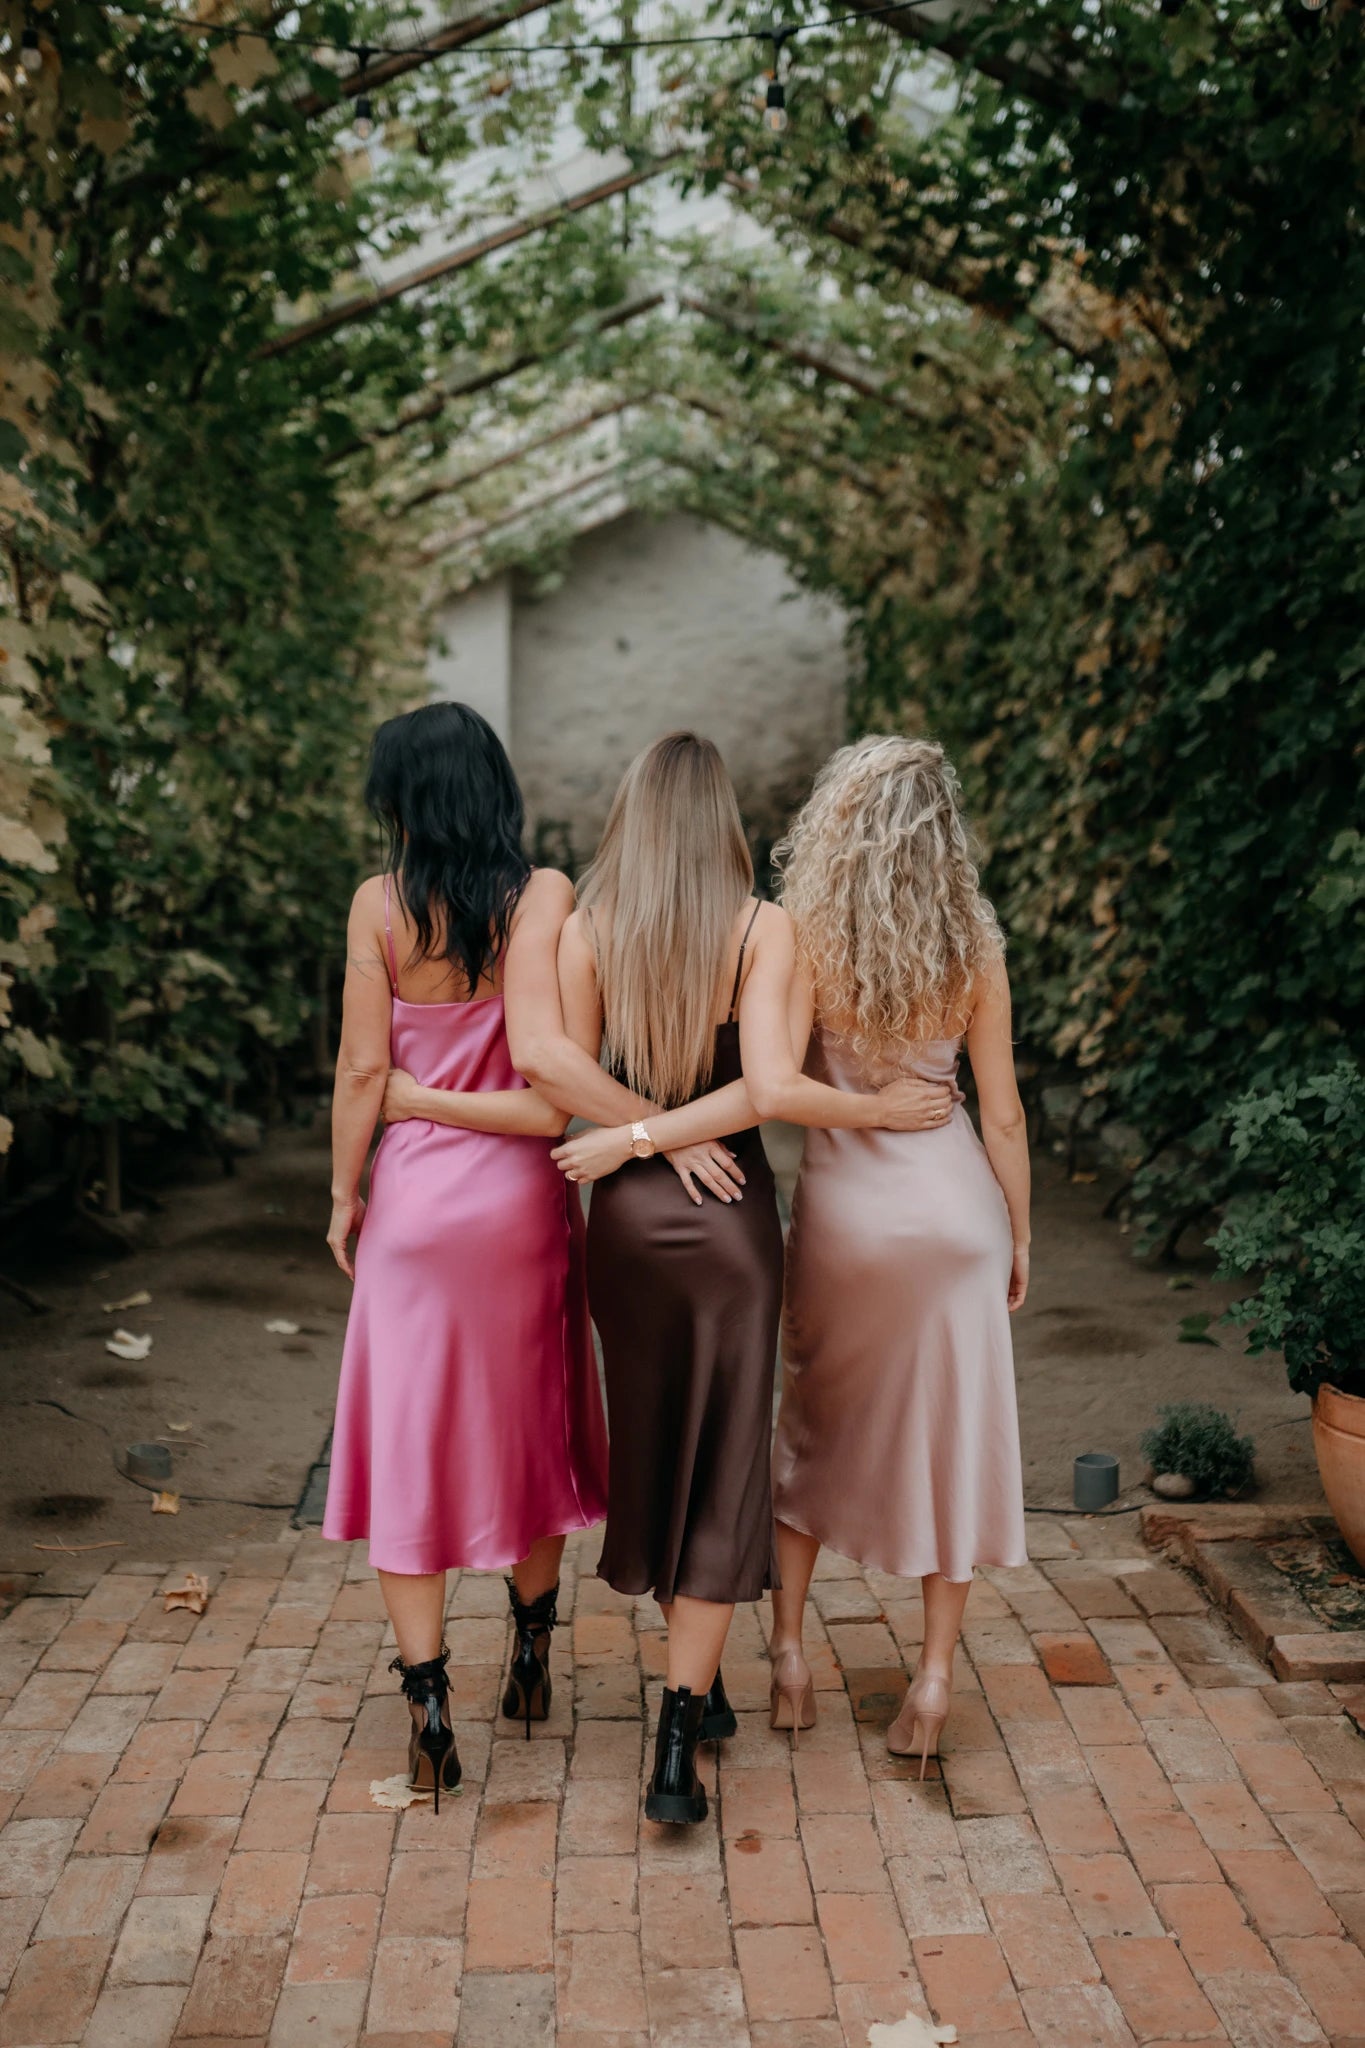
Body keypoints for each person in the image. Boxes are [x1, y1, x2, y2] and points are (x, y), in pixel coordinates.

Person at [545, 732, 950, 1824]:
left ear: (632, 813)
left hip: (625, 1223)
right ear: (720, 816)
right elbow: (766, 1091)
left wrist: (638, 1136)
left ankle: (699, 1680)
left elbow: (570, 1077)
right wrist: (675, 1135)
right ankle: (681, 1733)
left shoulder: (588, 930)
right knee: (724, 1456)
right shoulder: (763, 928)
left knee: (656, 1436)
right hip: (731, 1225)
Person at [322, 701, 610, 1809]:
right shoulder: (545, 897)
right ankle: (532, 1659)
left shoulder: (378, 909)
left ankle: (430, 1703)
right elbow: (551, 1098)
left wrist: (344, 1194)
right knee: (527, 1429)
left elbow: (361, 1073)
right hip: (521, 1212)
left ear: (401, 799)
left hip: (417, 1214)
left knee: (412, 1446)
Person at [740, 736, 1030, 1774]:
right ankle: (937, 1675)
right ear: (945, 830)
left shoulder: (807, 935)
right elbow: (999, 1113)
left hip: (850, 1220)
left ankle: (785, 1655)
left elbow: (772, 1089)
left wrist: (865, 1106)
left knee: (811, 1423)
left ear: (842, 825)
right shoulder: (973, 943)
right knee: (951, 1440)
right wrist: (1019, 1229)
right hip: (957, 1218)